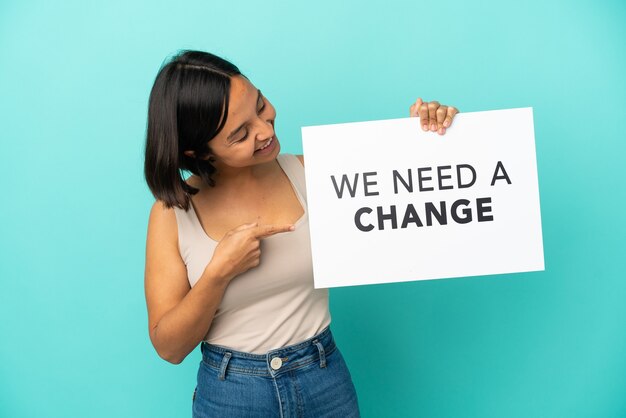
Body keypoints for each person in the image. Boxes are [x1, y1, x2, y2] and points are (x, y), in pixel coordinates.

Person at [143, 50, 458, 418]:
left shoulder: (317, 173)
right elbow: (170, 347)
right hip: (232, 394)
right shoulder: (174, 214)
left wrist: (428, 136)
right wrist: (218, 273)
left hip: (324, 380)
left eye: (261, 105)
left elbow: (415, 194)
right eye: (241, 134)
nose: (265, 130)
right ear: (199, 151)